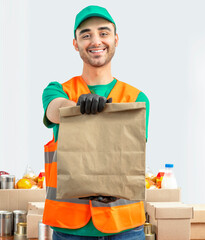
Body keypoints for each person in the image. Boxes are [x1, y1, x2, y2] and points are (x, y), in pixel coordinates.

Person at [42, 5, 149, 240]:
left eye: (103, 32)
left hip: (125, 227)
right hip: (70, 229)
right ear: (75, 43)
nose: (96, 40)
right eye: (86, 35)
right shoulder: (58, 90)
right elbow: (54, 111)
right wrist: (77, 107)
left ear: (115, 39)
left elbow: (130, 155)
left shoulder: (136, 99)